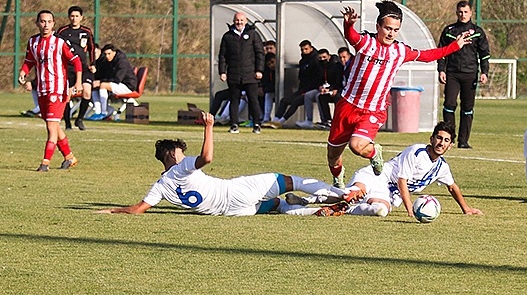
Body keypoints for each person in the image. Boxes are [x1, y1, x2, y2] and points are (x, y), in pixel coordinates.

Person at [96, 112, 365, 216]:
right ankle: (343, 193)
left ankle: (311, 207)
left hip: (232, 212)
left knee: (277, 206)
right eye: (179, 150)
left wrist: (111, 211)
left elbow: (138, 209)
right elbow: (207, 158)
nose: (180, 153)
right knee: (288, 180)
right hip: (236, 191)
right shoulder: (181, 166)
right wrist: (209, 127)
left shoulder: (160, 186)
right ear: (170, 153)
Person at [327, 1, 471, 188]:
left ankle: (373, 153)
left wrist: (455, 46)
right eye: (387, 28)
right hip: (347, 105)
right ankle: (337, 178)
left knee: (356, 145)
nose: (391, 33)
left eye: (395, 30)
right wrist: (348, 24)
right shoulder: (366, 43)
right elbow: (351, 36)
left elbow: (428, 55)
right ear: (378, 26)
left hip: (373, 110)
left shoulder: (400, 51)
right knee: (333, 156)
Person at [288, 121, 483, 217]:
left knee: (380, 210)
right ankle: (304, 198)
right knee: (350, 193)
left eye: (446, 141)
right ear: (431, 139)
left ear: (450, 146)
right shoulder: (416, 152)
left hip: (388, 194)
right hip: (375, 176)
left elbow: (452, 187)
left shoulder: (442, 167)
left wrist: (466, 209)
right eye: (439, 138)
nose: (441, 143)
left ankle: (339, 209)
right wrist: (410, 210)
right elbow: (402, 181)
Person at [18, 10, 82, 172]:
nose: (45, 25)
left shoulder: (59, 42)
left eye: (49, 22)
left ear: (53, 23)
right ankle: (69, 157)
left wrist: (78, 82)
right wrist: (23, 72)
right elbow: (29, 61)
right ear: (37, 23)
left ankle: (45, 163)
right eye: (42, 21)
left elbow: (76, 62)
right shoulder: (33, 41)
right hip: (42, 89)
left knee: (51, 127)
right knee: (54, 125)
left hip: (58, 90)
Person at [437, 0, 491, 149]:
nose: (463, 15)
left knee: (467, 108)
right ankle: (449, 139)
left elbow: (484, 54)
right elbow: (442, 52)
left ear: (471, 13)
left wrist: (484, 72)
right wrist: (441, 69)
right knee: (449, 105)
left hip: (471, 74)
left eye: (466, 12)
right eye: (460, 12)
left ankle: (463, 141)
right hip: (452, 73)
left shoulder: (478, 32)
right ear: (456, 13)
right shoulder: (449, 30)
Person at [218, 12, 264, 134]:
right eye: (237, 20)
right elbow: (222, 56)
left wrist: (259, 70)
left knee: (253, 100)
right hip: (234, 74)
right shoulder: (227, 36)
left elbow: (260, 53)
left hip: (251, 75)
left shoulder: (253, 34)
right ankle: (234, 124)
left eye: (241, 20)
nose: (239, 22)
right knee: (234, 100)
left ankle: (257, 124)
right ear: (233, 21)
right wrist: (222, 71)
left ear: (246, 21)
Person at [263, 40, 321, 129]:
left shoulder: (316, 60)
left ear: (311, 48)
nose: (304, 51)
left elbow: (317, 77)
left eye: (306, 49)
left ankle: (281, 121)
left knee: (295, 101)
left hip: (311, 89)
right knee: (284, 100)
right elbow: (302, 77)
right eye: (302, 50)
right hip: (303, 88)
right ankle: (275, 120)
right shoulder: (303, 61)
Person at [57, 6, 96, 131]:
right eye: (72, 16)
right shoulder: (62, 31)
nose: (74, 19)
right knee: (67, 95)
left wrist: (93, 63)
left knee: (87, 91)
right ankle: (68, 123)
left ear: (81, 17)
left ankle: (79, 119)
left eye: (77, 16)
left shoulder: (87, 32)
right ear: (69, 17)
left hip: (83, 67)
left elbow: (92, 49)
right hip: (67, 68)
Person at [88, 44, 138, 120]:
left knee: (103, 85)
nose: (107, 56)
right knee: (96, 87)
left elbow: (117, 79)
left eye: (109, 54)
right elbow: (107, 76)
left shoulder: (121, 61)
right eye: (105, 54)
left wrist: (101, 81)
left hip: (128, 86)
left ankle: (104, 113)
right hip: (118, 84)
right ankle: (98, 112)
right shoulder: (109, 61)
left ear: (114, 52)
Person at [315, 47, 350, 129]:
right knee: (321, 97)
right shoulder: (339, 66)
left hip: (347, 92)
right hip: (337, 89)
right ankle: (327, 121)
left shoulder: (351, 66)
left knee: (338, 98)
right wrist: (330, 89)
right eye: (340, 57)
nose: (342, 59)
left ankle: (339, 122)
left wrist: (335, 89)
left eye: (344, 57)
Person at [261, 52, 276, 123]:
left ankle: (266, 118)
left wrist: (264, 90)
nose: (271, 65)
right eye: (269, 64)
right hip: (271, 90)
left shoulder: (282, 70)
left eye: (272, 62)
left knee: (268, 95)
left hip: (283, 90)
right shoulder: (268, 72)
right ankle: (261, 117)